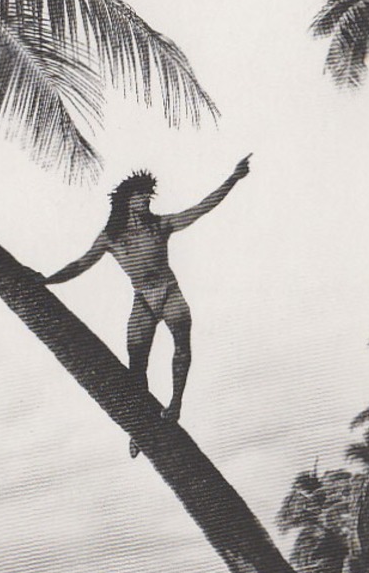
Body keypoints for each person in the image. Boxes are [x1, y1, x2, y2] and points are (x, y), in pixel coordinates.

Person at [38, 155, 252, 457]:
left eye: (148, 196)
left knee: (182, 349)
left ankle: (175, 403)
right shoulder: (111, 237)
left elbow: (200, 208)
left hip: (170, 292)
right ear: (128, 200)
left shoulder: (160, 225)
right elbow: (81, 263)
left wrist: (232, 178)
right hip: (143, 300)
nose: (146, 200)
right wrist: (49, 280)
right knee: (136, 366)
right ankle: (139, 429)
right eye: (141, 196)